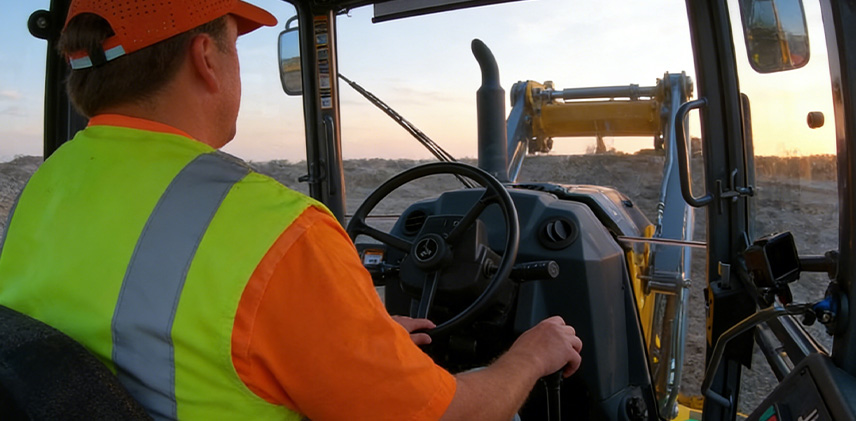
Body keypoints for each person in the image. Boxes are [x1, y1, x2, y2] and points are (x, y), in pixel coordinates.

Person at [0, 1, 582, 420]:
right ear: (206, 57)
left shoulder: (43, 187)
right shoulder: (277, 231)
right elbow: (446, 416)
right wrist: (530, 356)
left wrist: (342, 337)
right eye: (233, 43)